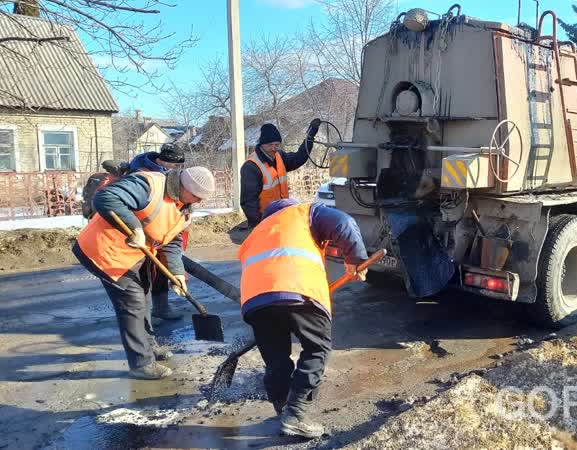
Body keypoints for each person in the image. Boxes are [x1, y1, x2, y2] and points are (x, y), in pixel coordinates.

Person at [238, 199, 368, 439]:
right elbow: (344, 223)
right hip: (298, 291)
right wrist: (354, 259)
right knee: (316, 348)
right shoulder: (304, 212)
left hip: (255, 300)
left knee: (275, 356)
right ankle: (296, 414)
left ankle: (282, 407)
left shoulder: (257, 232)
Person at [73, 167, 216, 380]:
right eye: (196, 196)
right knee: (132, 304)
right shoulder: (149, 185)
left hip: (134, 254)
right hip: (105, 251)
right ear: (184, 186)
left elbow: (173, 240)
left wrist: (176, 273)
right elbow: (105, 197)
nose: (198, 202)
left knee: (145, 298)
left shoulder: (183, 206)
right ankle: (141, 363)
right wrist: (134, 227)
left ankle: (149, 345)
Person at [129, 143, 189, 322]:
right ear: (163, 161)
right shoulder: (142, 175)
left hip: (164, 229)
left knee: (164, 268)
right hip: (142, 233)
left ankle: (161, 308)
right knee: (144, 274)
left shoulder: (171, 176)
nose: (178, 170)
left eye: (180, 166)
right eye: (175, 166)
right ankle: (143, 318)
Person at [240, 119, 322, 228]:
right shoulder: (251, 167)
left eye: (277, 145)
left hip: (282, 218)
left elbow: (299, 158)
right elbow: (249, 202)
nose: (274, 148)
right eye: (270, 145)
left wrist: (310, 137)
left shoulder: (280, 157)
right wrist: (258, 226)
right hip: (264, 222)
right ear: (262, 145)